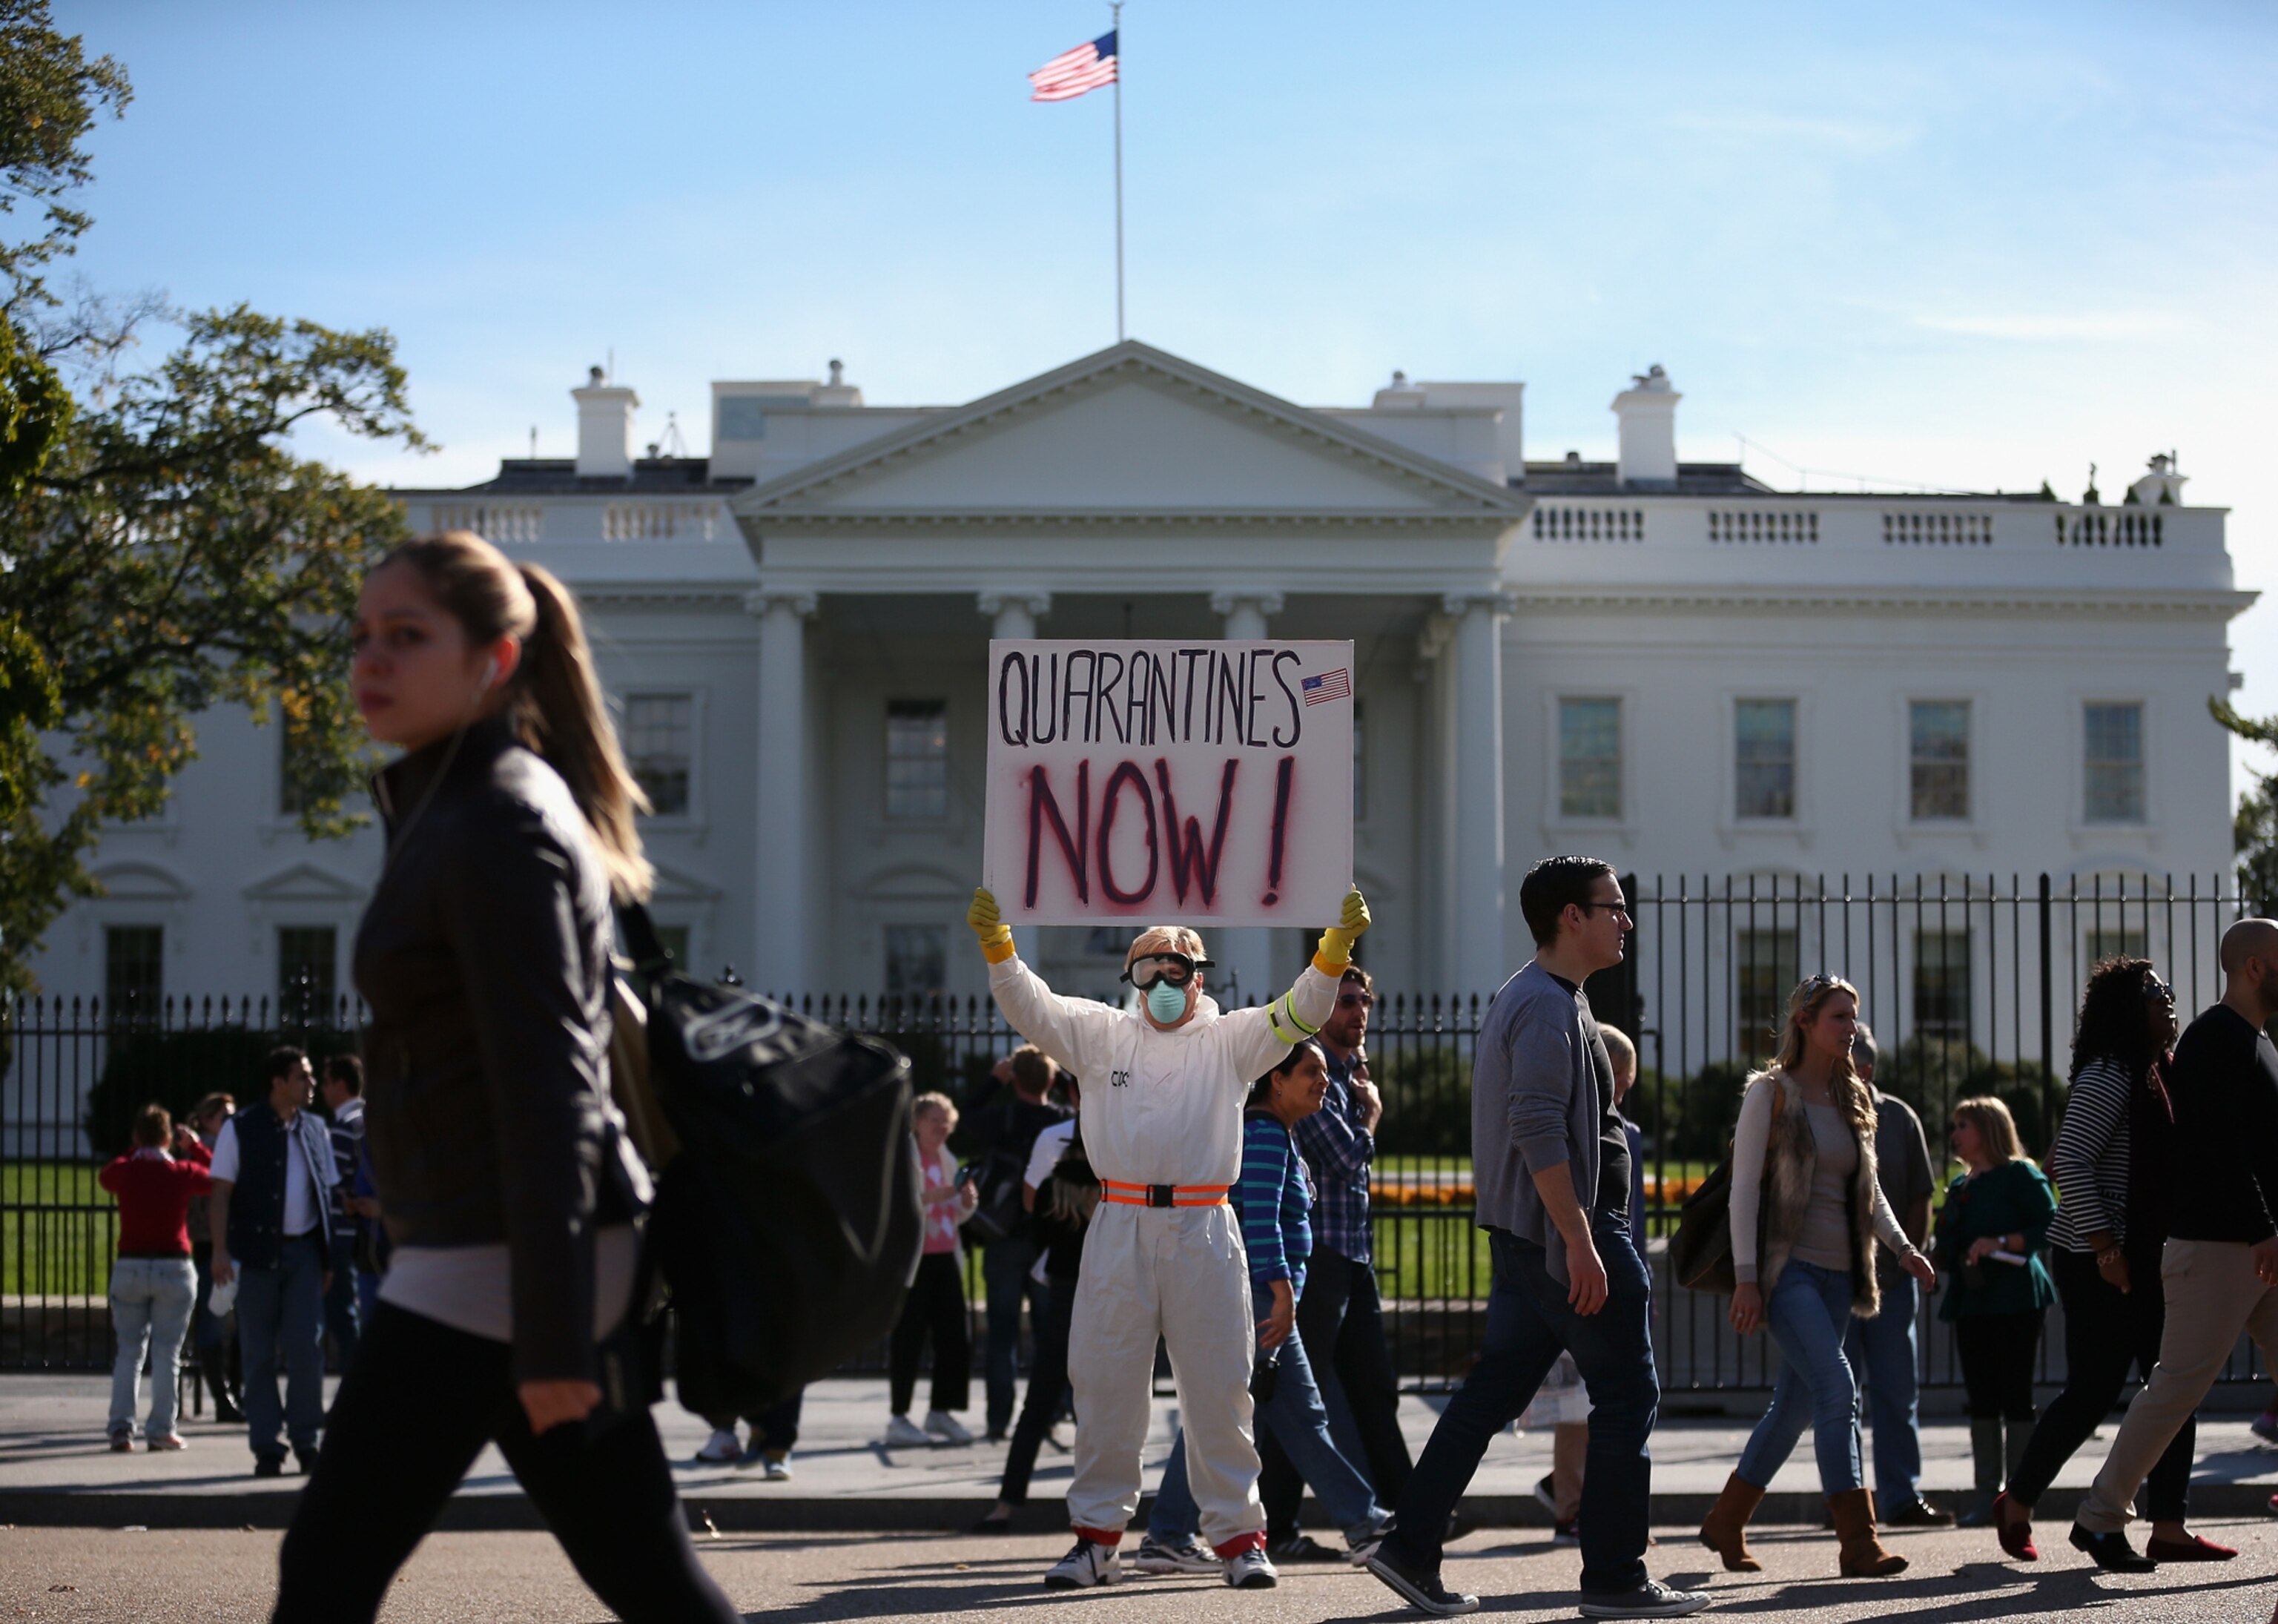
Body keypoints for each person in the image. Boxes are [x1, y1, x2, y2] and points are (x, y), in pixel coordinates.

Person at [271, 531, 739, 1622]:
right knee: (649, 1574)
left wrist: (555, 1325)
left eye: (407, 636)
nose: (369, 661)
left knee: (328, 1568)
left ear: (494, 661)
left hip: (504, 1253)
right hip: (503, 1247)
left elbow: (550, 1083)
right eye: (362, 636)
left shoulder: (498, 822)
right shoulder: (456, 804)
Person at [965, 883, 1370, 1591]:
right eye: (1146, 970)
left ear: (1198, 976)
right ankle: (1096, 1539)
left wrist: (1333, 951)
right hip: (1119, 1221)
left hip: (1205, 1224)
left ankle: (1240, 1539)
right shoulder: (1101, 1033)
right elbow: (1031, 1005)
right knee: (1105, 1384)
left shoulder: (1230, 1040)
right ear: (1131, 978)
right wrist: (1000, 948)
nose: (1159, 983)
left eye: (1173, 968)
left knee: (1220, 1386)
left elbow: (1301, 1010)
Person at [1367, 857, 1708, 1620]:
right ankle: (1616, 1579)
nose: (1626, 920)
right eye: (1612, 907)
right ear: (1569, 918)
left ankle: (1408, 1545)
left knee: (1491, 1393)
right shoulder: (1546, 1006)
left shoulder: (1549, 999)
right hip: (1563, 1240)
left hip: (1529, 1241)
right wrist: (1581, 1240)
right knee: (1628, 1395)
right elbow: (1535, 1125)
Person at [1698, 974, 1936, 1582]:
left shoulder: (1852, 1094)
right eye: (1838, 1017)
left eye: (1853, 1017)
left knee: (1795, 1406)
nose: (1850, 1027)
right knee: (1838, 1388)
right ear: (1804, 1022)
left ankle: (1726, 1519)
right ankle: (1858, 1541)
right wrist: (1749, 1279)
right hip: (1788, 1273)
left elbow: (1871, 1187)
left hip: (1841, 1276)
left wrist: (1904, 1248)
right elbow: (1744, 1190)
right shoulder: (1770, 1094)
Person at [1996, 958, 2233, 1564]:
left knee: (2176, 1386)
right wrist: (2106, 1250)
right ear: (2129, 1009)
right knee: (2095, 1390)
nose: (2170, 1001)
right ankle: (2018, 1500)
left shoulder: (2161, 1071)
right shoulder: (2111, 1074)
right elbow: (2067, 1164)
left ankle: (2170, 1525)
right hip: (2101, 1259)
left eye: (2170, 990)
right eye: (2156, 993)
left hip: (2157, 1255)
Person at [1138, 1039, 1396, 1579]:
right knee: (1302, 1416)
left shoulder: (1274, 1132)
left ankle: (1167, 1532)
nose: (1323, 1082)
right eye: (1310, 1071)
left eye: (1324, 1073)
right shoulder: (1264, 1134)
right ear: (1275, 1081)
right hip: (1261, 1298)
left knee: (1218, 1416)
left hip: (1254, 1295)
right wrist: (1282, 1292)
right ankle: (1363, 1523)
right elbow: (1258, 1220)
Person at [2070, 917, 2278, 1573]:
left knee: (2175, 1391)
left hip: (2254, 1245)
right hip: (2220, 1248)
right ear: (2254, 967)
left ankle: (2108, 1517)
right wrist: (2264, 1226)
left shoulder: (2260, 1042)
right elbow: (2212, 1150)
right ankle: (2099, 1517)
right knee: (2174, 1392)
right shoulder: (2216, 1039)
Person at [1258, 967, 1417, 1563]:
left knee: (1374, 1388)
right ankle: (1277, 1527)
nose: (1360, 1011)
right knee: (1298, 1399)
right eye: (1348, 1001)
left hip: (1353, 1254)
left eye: (1365, 1001)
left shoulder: (1351, 1073)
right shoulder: (1311, 1074)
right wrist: (1371, 1114)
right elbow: (1347, 1158)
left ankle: (1411, 1512)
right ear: (1323, 1010)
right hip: (1320, 1258)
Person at [1528, 1025, 1648, 1546]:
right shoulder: (1578, 1129)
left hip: (1612, 1266)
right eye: (1617, 1078)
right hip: (1574, 1268)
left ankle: (1587, 1501)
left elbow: (1632, 1219)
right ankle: (1573, 1503)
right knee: (1578, 1406)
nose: (1620, 1089)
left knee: (1609, 1400)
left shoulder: (1628, 1133)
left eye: (1625, 1080)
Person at [209, 1046, 341, 1476]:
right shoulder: (241, 1128)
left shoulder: (316, 1130)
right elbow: (221, 1193)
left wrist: (327, 1259)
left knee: (307, 1348)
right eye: (302, 1076)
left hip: (304, 1253)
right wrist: (219, 1251)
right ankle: (267, 1446)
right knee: (259, 1354)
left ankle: (306, 1441)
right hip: (255, 1253)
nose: (312, 1084)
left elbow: (327, 1198)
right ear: (278, 1083)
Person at [1929, 1096, 2056, 1527]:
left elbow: (2048, 1225)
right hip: (1972, 1298)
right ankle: (1987, 1495)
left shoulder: (2020, 1174)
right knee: (1981, 1397)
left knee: (2015, 1393)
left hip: (2017, 1298)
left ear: (1988, 1130)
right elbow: (1946, 1241)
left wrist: (2000, 1243)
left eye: (1963, 1125)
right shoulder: (1961, 1185)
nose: (1955, 1135)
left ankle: (2017, 1497)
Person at [1842, 1024, 1948, 1528]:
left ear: (1864, 1068)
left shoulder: (1900, 1119)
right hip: (1835, 1278)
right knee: (1838, 1395)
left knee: (1894, 1391)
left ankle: (1900, 1495)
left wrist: (1910, 1256)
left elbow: (1920, 1197)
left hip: (1891, 1280)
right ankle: (1846, 1498)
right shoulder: (1823, 1109)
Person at [976, 1077, 1092, 1534]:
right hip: (1110, 1290)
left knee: (1040, 1398)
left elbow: (1035, 1216)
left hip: (1062, 1287)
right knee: (1106, 1404)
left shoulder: (1052, 1176)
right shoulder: (1122, 1169)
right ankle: (1098, 1510)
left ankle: (1006, 1503)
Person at [971, 1045, 1072, 1440]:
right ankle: (1051, 1409)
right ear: (1051, 1081)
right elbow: (1084, 1103)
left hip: (1004, 1236)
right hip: (1048, 1236)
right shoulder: (1061, 1120)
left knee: (1002, 1333)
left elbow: (966, 1115)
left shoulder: (1001, 1119)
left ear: (1014, 1079)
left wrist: (994, 1080)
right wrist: (1060, 1074)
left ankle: (999, 1419)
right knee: (1052, 1331)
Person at [99, 1104, 214, 1451]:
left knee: (129, 1352)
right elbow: (215, 1176)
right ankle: (162, 1429)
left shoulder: (124, 1170)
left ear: (136, 1136)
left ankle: (121, 1428)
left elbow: (107, 1177)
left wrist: (137, 1149)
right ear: (168, 1137)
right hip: (173, 1266)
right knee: (168, 1353)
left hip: (131, 1265)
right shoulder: (181, 1171)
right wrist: (193, 1145)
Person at [885, 1091, 980, 1448]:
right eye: (934, 1120)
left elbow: (956, 1213)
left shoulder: (949, 1158)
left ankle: (941, 1410)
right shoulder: (904, 1157)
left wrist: (967, 1203)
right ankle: (898, 1417)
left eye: (946, 1121)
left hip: (944, 1257)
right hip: (914, 1263)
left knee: (955, 1337)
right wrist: (927, 1198)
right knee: (908, 1339)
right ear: (917, 1122)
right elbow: (894, 1207)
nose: (941, 1127)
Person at [185, 1092, 242, 1424]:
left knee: (225, 1322)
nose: (229, 1122)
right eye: (223, 1115)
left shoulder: (223, 1148)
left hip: (219, 1246)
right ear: (207, 1119)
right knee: (217, 1321)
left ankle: (230, 1393)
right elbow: (211, 1175)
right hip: (212, 1247)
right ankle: (225, 1396)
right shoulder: (205, 1151)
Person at [320, 1054, 369, 1375]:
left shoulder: (341, 1128)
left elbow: (331, 1184)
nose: (321, 1090)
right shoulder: (367, 1120)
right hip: (369, 1234)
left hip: (342, 1235)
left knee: (342, 1319)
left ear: (339, 1085)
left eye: (324, 1082)